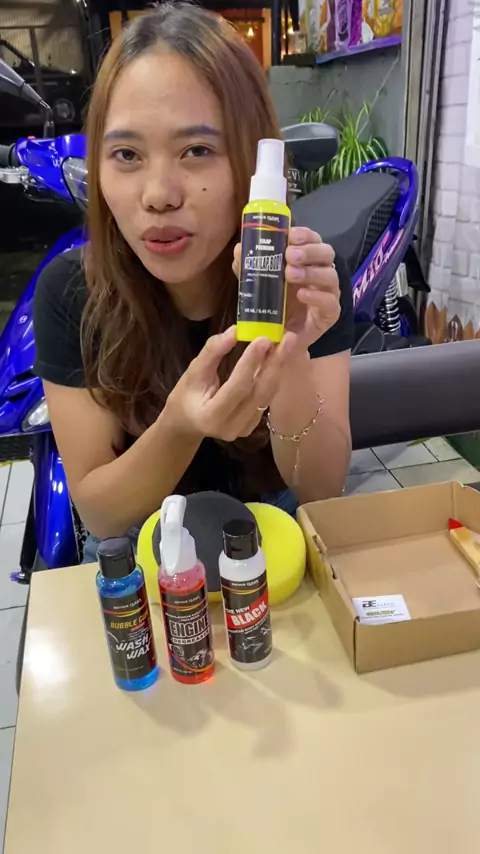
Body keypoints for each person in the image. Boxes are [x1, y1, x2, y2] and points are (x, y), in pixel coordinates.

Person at [33, 2, 353, 563]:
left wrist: (292, 354)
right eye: (126, 154)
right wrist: (180, 427)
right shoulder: (72, 292)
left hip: (273, 541)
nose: (159, 194)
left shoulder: (302, 281)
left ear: (250, 163)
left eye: (197, 150)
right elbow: (101, 514)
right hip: (138, 545)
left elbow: (320, 490)